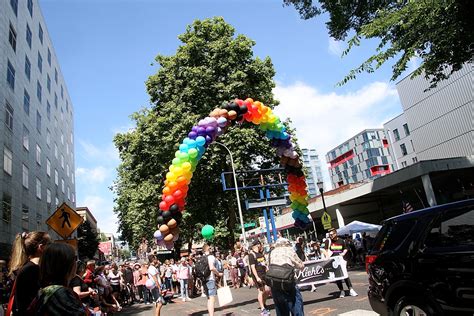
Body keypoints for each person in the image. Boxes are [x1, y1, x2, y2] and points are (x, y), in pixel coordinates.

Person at [30, 243, 87, 315]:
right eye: (75, 258)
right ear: (65, 263)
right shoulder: (60, 293)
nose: (76, 262)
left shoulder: (46, 291)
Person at [8, 231, 51, 315]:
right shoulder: (31, 269)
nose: (52, 247)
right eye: (49, 244)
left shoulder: (32, 268)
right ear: (41, 247)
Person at [268, 237, 305, 316]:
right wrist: (301, 267)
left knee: (281, 309)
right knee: (296, 304)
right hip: (287, 282)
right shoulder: (289, 250)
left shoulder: (272, 252)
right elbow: (300, 264)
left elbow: (269, 265)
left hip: (274, 282)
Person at [327, 228, 358, 298]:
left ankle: (351, 289)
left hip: (341, 260)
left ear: (335, 234)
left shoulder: (341, 241)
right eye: (329, 235)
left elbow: (346, 248)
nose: (330, 236)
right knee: (338, 277)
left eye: (331, 234)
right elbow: (323, 249)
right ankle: (341, 291)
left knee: (345, 275)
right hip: (333, 261)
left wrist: (343, 253)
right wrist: (327, 256)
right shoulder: (328, 242)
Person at [249, 240, 270, 316]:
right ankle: (263, 309)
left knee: (267, 290)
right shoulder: (251, 255)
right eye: (260, 244)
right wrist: (257, 277)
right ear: (257, 245)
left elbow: (264, 264)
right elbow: (252, 267)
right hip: (257, 275)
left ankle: (263, 303)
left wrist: (267, 268)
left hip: (264, 274)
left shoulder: (261, 254)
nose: (261, 246)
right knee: (261, 291)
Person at [202, 244, 222, 316]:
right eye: (210, 248)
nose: (211, 249)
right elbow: (211, 268)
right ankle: (211, 315)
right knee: (212, 298)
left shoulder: (202, 257)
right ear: (208, 249)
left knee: (209, 298)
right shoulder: (211, 257)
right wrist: (218, 274)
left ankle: (211, 314)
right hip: (210, 279)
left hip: (204, 279)